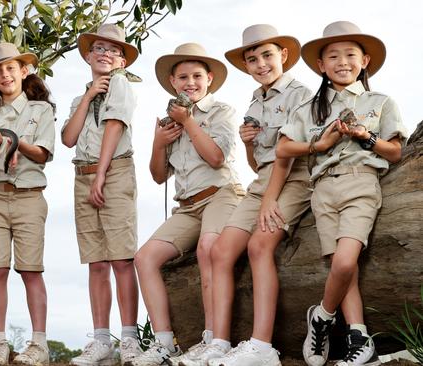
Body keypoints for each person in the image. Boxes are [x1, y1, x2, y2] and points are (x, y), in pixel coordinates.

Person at [275, 21, 407, 366]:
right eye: (332, 56)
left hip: (361, 182)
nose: (342, 61)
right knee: (339, 266)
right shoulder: (308, 108)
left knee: (347, 260)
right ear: (321, 65)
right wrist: (319, 143)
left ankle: (321, 314)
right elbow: (284, 149)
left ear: (365, 60)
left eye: (350, 54)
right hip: (322, 189)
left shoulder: (380, 102)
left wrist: (366, 137)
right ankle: (359, 336)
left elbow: (395, 151)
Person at [197, 25, 313, 366]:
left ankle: (262, 346)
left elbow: (289, 156)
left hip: (294, 179)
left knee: (259, 245)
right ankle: (219, 341)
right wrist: (248, 144)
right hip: (262, 182)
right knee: (220, 251)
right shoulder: (255, 99)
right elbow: (257, 162)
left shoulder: (300, 94)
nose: (261, 64)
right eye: (252, 59)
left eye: (267, 55)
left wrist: (269, 201)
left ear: (284, 56)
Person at [131, 42, 241, 366]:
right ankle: (165, 342)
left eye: (196, 76)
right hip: (189, 206)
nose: (190, 82)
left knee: (209, 247)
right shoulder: (167, 123)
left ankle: (213, 338)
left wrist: (190, 123)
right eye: (183, 77)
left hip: (221, 194)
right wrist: (157, 142)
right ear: (173, 82)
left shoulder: (222, 112)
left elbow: (218, 158)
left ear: (209, 78)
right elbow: (158, 176)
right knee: (144, 258)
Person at [61, 23, 143, 366]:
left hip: (114, 172)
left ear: (123, 61)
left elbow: (114, 126)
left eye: (114, 50)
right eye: (99, 48)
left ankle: (129, 338)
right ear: (87, 55)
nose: (106, 54)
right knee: (96, 262)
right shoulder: (81, 97)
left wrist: (102, 175)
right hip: (83, 173)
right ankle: (100, 340)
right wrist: (90, 96)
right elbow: (68, 138)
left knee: (122, 258)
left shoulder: (122, 85)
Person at [0, 42, 56, 366]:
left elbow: (44, 154)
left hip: (29, 197)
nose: (5, 75)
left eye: (10, 68)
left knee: (31, 270)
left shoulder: (42, 110)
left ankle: (38, 344)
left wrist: (18, 142)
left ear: (24, 71)